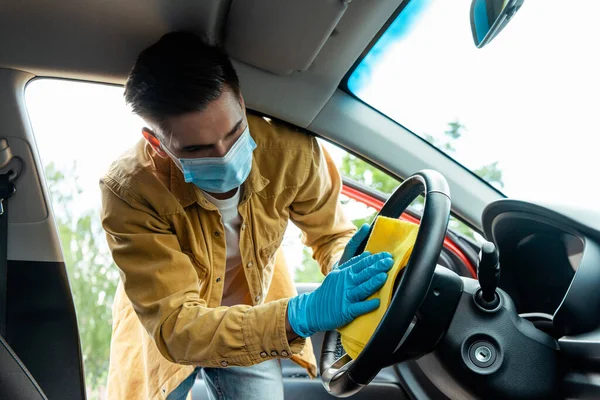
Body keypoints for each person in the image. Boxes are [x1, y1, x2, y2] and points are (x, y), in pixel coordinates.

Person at [100, 31, 394, 400]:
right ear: (157, 143)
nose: (224, 154)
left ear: (240, 101)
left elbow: (331, 235)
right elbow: (176, 328)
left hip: (251, 318)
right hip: (167, 328)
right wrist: (301, 314)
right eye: (198, 148)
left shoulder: (291, 153)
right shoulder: (129, 191)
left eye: (235, 131)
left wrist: (348, 269)